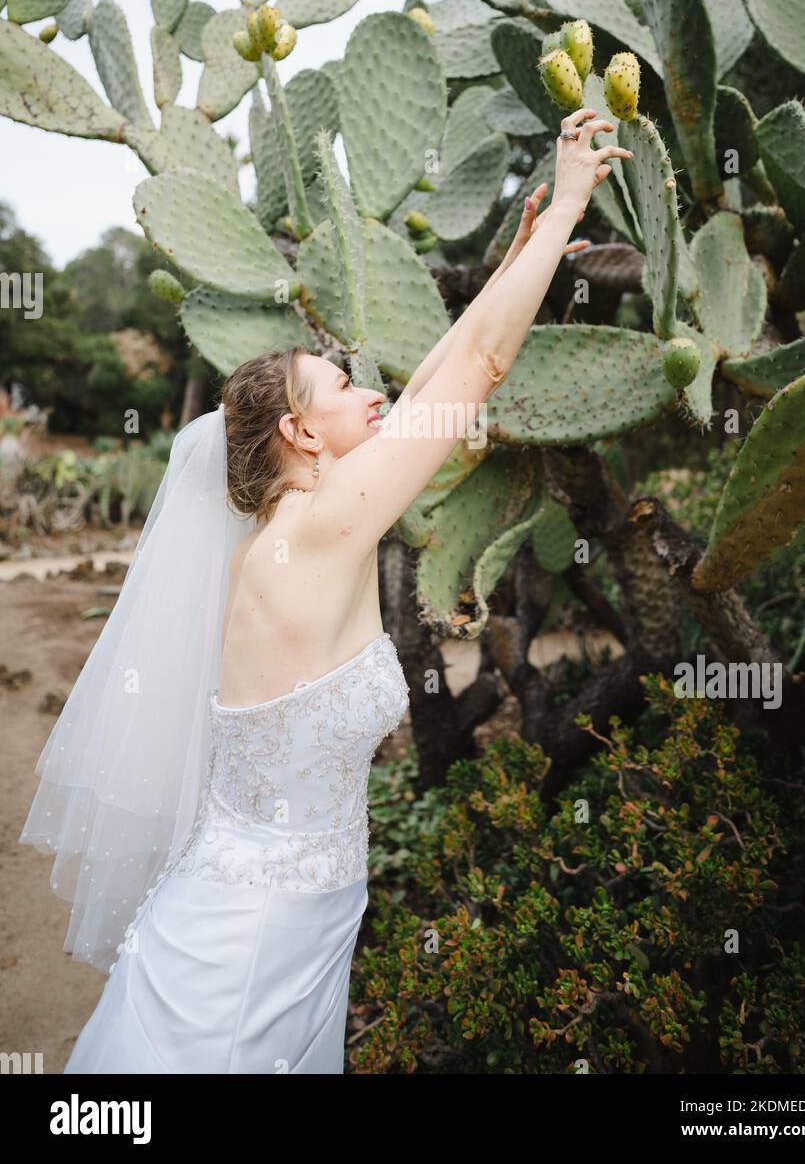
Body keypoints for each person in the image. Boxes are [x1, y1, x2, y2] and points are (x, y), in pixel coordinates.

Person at [19, 110, 631, 1073]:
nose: (368, 390)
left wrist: (518, 257)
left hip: (300, 918)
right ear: (303, 436)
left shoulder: (304, 529)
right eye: (340, 386)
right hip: (248, 935)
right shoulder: (321, 527)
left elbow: (444, 369)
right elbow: (477, 371)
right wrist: (563, 209)